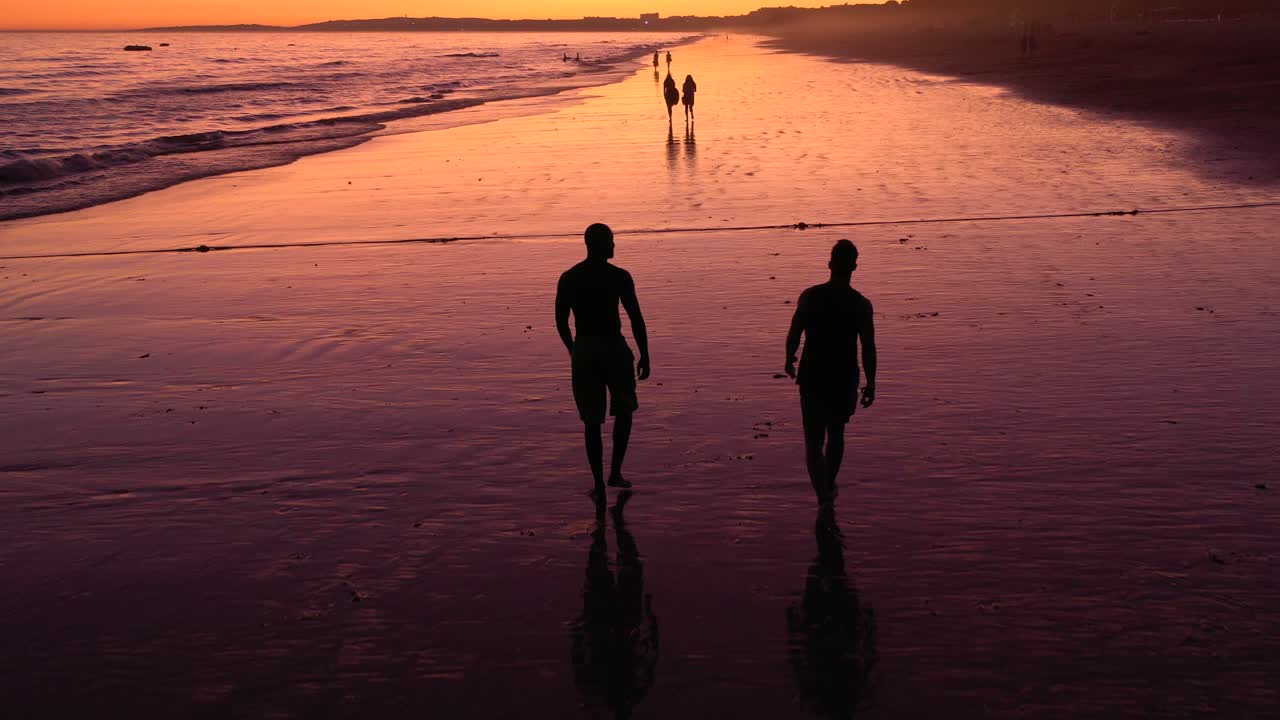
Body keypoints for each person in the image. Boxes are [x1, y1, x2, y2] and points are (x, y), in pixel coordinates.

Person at [556, 223, 651, 499]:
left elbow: (561, 321)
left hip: (585, 348)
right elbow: (635, 317)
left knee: (592, 420)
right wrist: (645, 353)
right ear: (600, 245)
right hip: (612, 345)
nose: (614, 246)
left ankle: (599, 482)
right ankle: (615, 473)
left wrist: (573, 349)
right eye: (611, 241)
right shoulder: (619, 277)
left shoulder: (570, 277)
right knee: (624, 411)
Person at [785, 240, 876, 505]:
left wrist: (789, 358)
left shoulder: (810, 296)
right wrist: (871, 381)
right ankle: (827, 485)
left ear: (829, 264)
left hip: (813, 374)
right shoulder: (860, 304)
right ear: (854, 267)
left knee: (813, 440)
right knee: (836, 433)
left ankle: (822, 493)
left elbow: (794, 333)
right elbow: (868, 347)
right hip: (843, 375)